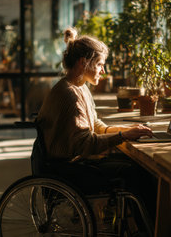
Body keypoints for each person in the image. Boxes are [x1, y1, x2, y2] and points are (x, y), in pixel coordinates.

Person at [36, 27, 157, 218]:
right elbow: (86, 144)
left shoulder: (78, 87)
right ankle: (148, 227)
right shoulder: (70, 95)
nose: (103, 71)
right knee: (136, 172)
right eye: (100, 64)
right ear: (84, 63)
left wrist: (128, 130)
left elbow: (96, 126)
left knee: (129, 163)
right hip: (68, 168)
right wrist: (123, 136)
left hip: (71, 162)